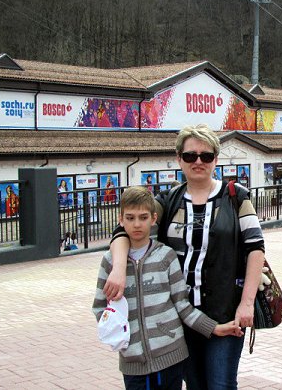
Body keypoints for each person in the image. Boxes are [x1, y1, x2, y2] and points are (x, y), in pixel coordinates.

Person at [103, 124, 265, 390]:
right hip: (179, 314)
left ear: (216, 159)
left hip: (225, 310)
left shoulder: (236, 197)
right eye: (190, 155)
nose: (198, 161)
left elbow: (255, 248)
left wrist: (246, 303)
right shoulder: (168, 200)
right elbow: (124, 230)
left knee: (221, 384)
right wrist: (118, 268)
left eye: (206, 156)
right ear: (179, 159)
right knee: (195, 384)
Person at [93, 186, 243, 390]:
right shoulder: (110, 262)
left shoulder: (166, 256)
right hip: (133, 364)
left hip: (171, 359)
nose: (137, 224)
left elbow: (183, 306)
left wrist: (214, 328)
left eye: (143, 217)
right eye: (130, 218)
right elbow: (100, 307)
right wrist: (119, 335)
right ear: (121, 219)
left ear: (154, 218)